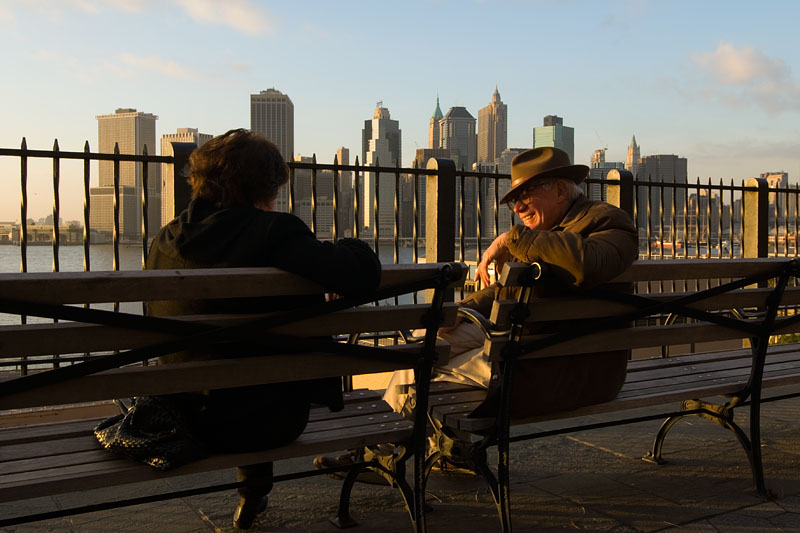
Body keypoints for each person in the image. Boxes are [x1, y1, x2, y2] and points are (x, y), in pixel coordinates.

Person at [315, 146, 638, 473]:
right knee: (428, 339)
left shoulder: (605, 222)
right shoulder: (545, 235)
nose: (520, 206)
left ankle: (382, 457)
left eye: (526, 193)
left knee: (420, 366)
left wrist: (512, 238)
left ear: (559, 189)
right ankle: (451, 448)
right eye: (515, 200)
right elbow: (502, 292)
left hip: (569, 371)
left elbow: (588, 264)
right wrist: (453, 312)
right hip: (533, 355)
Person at [138, 129, 380, 529]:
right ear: (265, 186)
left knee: (238, 364)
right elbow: (362, 273)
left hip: (186, 419)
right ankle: (252, 493)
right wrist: (351, 244)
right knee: (257, 372)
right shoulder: (275, 234)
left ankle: (253, 495)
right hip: (271, 422)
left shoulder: (164, 240)